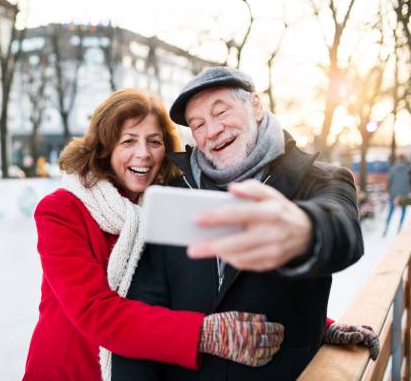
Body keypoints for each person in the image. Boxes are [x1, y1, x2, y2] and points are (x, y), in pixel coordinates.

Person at [112, 67, 367, 380]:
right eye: (198, 124)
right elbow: (143, 317)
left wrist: (303, 230)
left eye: (221, 112)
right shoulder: (173, 197)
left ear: (256, 106)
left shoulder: (321, 180)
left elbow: (343, 234)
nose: (213, 130)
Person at [22, 89, 285, 381]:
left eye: (154, 142)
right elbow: (94, 311)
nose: (143, 153)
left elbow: (218, 279)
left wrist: (311, 324)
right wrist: (203, 334)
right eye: (128, 141)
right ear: (104, 148)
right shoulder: (61, 210)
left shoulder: (168, 205)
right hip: (69, 371)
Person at [383, 153, 410, 236]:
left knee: (390, 212)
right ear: (405, 159)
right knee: (404, 212)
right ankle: (399, 228)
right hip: (404, 195)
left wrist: (388, 191)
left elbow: (389, 182)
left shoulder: (393, 168)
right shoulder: (408, 170)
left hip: (393, 194)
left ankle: (386, 229)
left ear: (398, 159)